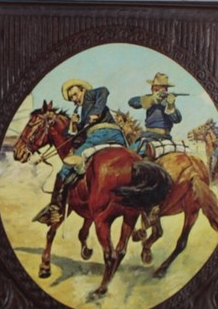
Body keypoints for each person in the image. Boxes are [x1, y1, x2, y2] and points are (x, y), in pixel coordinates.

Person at [33, 78, 127, 225]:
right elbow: (78, 136)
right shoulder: (83, 113)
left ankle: (55, 208)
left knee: (65, 168)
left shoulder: (90, 95)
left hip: (99, 136)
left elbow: (104, 90)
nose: (74, 99)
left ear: (82, 90)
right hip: (118, 137)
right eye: (71, 98)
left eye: (75, 94)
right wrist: (74, 124)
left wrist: (96, 112)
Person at [127, 72, 182, 156]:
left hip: (165, 138)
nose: (159, 92)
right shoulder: (149, 99)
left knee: (130, 155)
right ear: (152, 89)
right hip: (149, 136)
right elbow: (132, 102)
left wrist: (171, 105)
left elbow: (177, 119)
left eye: (162, 90)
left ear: (166, 90)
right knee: (129, 153)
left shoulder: (168, 103)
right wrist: (152, 99)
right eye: (156, 89)